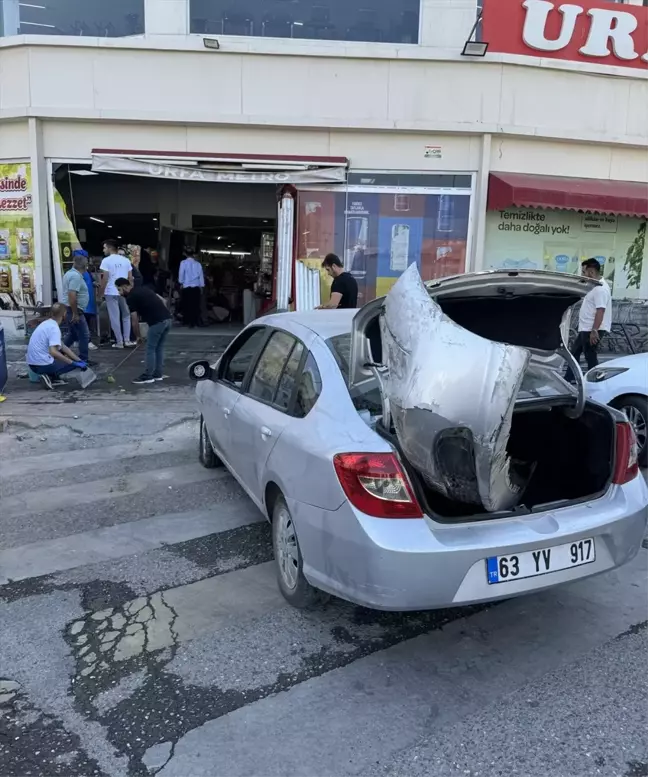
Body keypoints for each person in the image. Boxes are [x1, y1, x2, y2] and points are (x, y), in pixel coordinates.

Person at [115, 277, 172, 385]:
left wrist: (138, 336)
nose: (119, 293)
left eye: (119, 289)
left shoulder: (131, 297)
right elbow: (163, 300)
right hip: (167, 320)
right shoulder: (144, 289)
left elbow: (134, 319)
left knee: (150, 349)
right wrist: (163, 314)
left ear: (124, 287)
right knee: (159, 348)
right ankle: (158, 374)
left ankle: (148, 375)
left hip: (157, 323)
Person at [565, 258, 612, 382]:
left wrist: (594, 330)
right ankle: (569, 378)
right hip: (586, 328)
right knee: (574, 352)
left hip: (593, 329)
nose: (582, 275)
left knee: (590, 355)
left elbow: (600, 310)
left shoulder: (600, 289)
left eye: (583, 272)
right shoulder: (594, 286)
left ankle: (596, 380)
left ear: (591, 272)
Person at [27, 303, 86, 390]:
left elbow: (62, 346)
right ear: (64, 314)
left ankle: (53, 377)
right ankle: (47, 375)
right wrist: (73, 362)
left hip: (32, 364)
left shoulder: (46, 323)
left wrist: (79, 360)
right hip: (42, 365)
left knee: (65, 357)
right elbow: (53, 352)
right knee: (70, 363)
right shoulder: (54, 328)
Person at [100, 239, 135, 349]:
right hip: (123, 291)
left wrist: (100, 293)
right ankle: (127, 340)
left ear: (110, 248)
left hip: (111, 291)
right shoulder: (126, 260)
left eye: (105, 247)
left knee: (115, 317)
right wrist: (129, 289)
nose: (104, 250)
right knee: (126, 315)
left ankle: (119, 342)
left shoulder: (106, 261)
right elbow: (130, 278)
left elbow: (105, 278)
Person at [61, 253, 92, 365]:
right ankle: (83, 358)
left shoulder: (70, 274)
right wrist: (75, 313)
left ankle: (59, 351)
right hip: (74, 310)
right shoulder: (75, 276)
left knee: (73, 334)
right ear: (85, 266)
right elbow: (72, 295)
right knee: (84, 335)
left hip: (71, 309)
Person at [178, 248, 205, 328]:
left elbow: (181, 274)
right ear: (193, 254)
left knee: (187, 305)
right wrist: (201, 286)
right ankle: (194, 322)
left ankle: (187, 321)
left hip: (186, 286)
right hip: (196, 287)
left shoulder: (183, 263)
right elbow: (201, 276)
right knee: (195, 305)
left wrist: (181, 282)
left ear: (185, 254)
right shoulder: (198, 264)